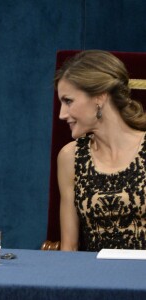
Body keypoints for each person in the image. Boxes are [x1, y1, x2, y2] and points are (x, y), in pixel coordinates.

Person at [55, 50, 146, 251]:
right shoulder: (70, 157)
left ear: (99, 97)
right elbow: (68, 249)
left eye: (68, 101)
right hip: (94, 278)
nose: (62, 114)